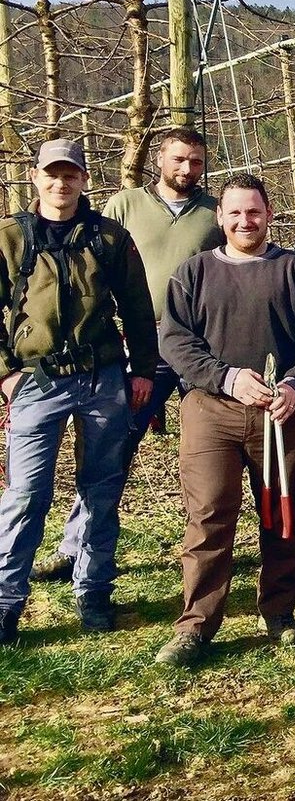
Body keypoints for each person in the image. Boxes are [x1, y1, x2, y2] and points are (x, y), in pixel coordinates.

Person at [154, 173, 295, 666]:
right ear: (220, 216)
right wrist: (225, 377)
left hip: (282, 412)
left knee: (282, 511)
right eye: (234, 212)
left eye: (253, 211)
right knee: (209, 513)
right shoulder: (194, 273)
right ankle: (196, 624)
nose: (244, 221)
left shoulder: (294, 270)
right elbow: (175, 341)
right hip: (212, 411)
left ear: (268, 213)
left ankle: (279, 610)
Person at [33, 127, 222, 585]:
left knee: (216, 448)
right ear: (160, 160)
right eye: (178, 159)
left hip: (201, 345)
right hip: (147, 346)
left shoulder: (215, 213)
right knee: (115, 449)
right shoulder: (124, 205)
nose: (186, 169)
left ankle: (217, 547)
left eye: (195, 162)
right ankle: (76, 547)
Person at [0, 139, 157, 644]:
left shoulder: (109, 238)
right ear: (35, 177)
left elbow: (136, 306)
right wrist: (5, 373)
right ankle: (6, 602)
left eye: (70, 174)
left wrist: (143, 372)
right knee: (25, 495)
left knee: (101, 491)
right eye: (51, 174)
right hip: (36, 381)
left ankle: (93, 593)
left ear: (85, 180)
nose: (60, 183)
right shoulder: (10, 239)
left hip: (102, 379)